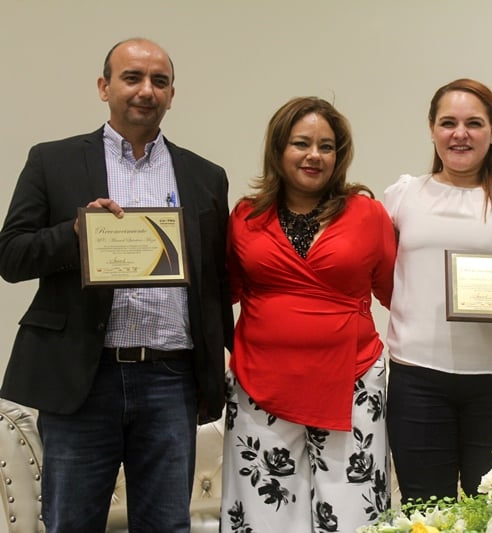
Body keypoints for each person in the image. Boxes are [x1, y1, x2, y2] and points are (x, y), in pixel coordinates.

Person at [0, 38, 233, 532]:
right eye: (132, 78)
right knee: (71, 524)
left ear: (172, 95)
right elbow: (11, 256)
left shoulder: (205, 176)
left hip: (171, 379)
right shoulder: (53, 161)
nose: (146, 90)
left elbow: (216, 281)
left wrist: (221, 367)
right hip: (83, 379)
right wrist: (74, 233)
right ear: (104, 87)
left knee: (167, 526)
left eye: (159, 81)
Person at [221, 96, 396, 532]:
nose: (314, 155)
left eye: (326, 146)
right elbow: (223, 293)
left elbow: (399, 293)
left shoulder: (369, 214)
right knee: (264, 516)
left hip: (352, 381)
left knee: (354, 516)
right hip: (260, 385)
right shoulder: (245, 216)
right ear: (278, 149)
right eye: (302, 143)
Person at [385, 78, 492, 503]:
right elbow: (377, 273)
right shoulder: (403, 197)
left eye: (474, 123)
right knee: (425, 509)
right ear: (432, 129)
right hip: (418, 380)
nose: (460, 134)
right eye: (448, 123)